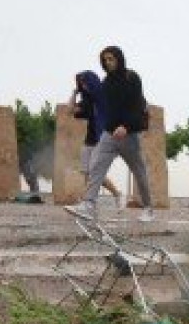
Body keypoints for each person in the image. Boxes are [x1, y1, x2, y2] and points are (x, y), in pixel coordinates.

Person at [66, 47, 154, 222]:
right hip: (109, 134)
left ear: (119, 59)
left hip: (129, 135)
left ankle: (148, 209)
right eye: (105, 60)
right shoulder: (106, 83)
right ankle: (89, 205)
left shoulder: (131, 77)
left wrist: (126, 126)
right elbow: (102, 107)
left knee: (139, 172)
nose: (108, 63)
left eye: (111, 59)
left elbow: (137, 106)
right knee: (96, 166)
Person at [69, 70, 123, 206]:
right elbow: (71, 110)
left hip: (102, 140)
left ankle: (97, 199)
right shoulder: (86, 101)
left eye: (84, 82)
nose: (83, 85)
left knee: (94, 173)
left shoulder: (104, 98)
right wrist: (74, 93)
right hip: (89, 141)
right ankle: (90, 201)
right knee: (87, 173)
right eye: (81, 83)